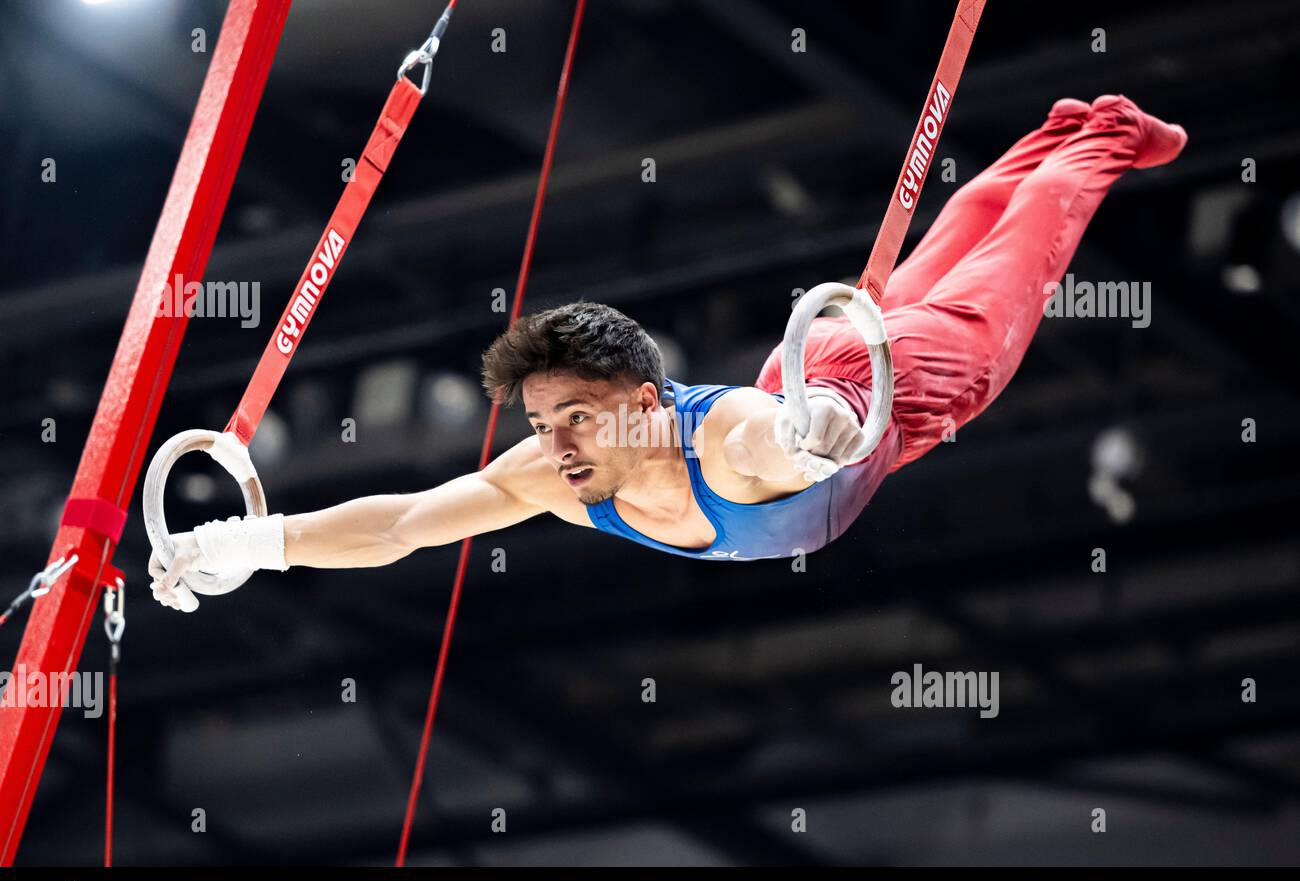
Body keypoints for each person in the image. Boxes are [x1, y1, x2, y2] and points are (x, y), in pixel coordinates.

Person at [150, 94, 1186, 606]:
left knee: (1020, 262)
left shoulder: (731, 443)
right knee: (950, 248)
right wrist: (261, 541)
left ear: (645, 400)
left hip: (883, 388)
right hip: (818, 367)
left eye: (574, 417)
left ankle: (1098, 138)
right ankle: (1053, 130)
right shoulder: (558, 477)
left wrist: (814, 432)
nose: (552, 444)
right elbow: (405, 525)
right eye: (543, 423)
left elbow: (775, 447)